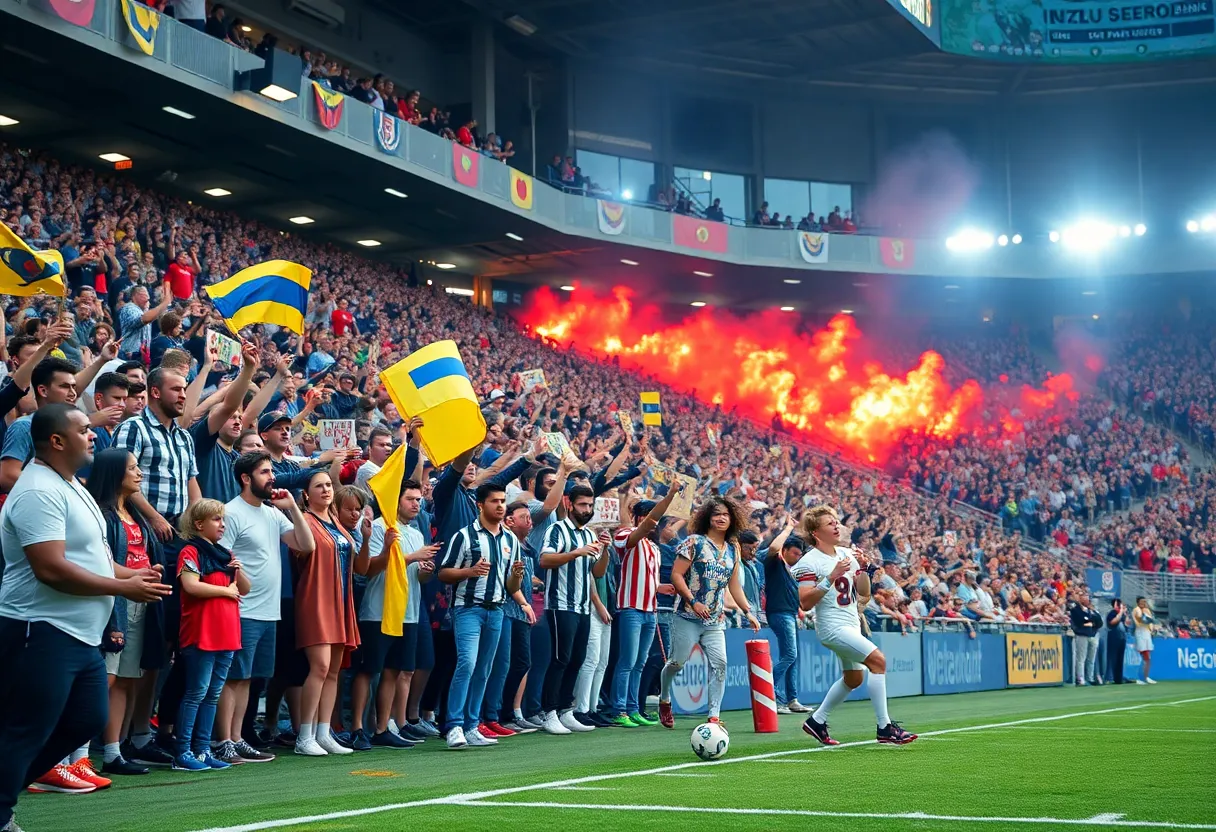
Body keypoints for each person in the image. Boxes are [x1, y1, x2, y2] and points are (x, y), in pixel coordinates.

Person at [0, 405, 169, 829]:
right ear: (56, 441)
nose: (93, 435)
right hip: (39, 629)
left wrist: (132, 574)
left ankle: (5, 790)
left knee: (88, 718)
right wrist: (124, 588)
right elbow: (51, 568)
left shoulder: (73, 484)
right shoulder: (39, 490)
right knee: (27, 730)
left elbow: (92, 557)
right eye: (83, 430)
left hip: (77, 634)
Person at [212, 452, 315, 765]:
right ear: (246, 478)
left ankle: (238, 738)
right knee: (233, 678)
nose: (272, 477)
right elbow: (220, 558)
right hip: (241, 610)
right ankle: (224, 741)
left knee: (249, 679)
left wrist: (294, 507)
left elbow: (306, 545)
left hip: (268, 611)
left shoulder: (273, 513)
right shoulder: (231, 512)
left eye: (271, 471)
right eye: (265, 472)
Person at [794, 505, 916, 746]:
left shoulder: (846, 554)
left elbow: (864, 594)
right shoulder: (810, 561)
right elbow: (805, 602)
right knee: (878, 661)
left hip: (850, 622)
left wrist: (862, 569)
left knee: (853, 679)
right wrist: (831, 577)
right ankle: (884, 727)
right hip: (833, 626)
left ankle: (817, 721)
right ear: (816, 533)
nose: (837, 526)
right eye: (830, 523)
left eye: (836, 522)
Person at [88, 449, 168, 777]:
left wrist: (151, 572)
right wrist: (136, 578)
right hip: (114, 604)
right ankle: (78, 753)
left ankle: (114, 751)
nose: (139, 473)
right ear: (113, 473)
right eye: (132, 468)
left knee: (127, 680)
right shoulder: (104, 515)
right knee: (105, 680)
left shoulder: (133, 511)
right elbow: (101, 566)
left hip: (140, 602)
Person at [351, 480, 441, 750]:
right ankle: (357, 727)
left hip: (408, 612)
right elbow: (370, 569)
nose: (416, 504)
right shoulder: (379, 527)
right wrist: (414, 557)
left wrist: (425, 569)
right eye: (410, 499)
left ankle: (383, 727)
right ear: (396, 501)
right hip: (378, 610)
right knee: (368, 670)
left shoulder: (414, 533)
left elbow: (420, 579)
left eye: (418, 499)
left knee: (393, 670)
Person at [438, 482, 527, 749]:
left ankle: (472, 724)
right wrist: (470, 572)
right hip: (468, 608)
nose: (500, 506)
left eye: (502, 501)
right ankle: (454, 725)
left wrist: (516, 577)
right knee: (467, 663)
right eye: (495, 501)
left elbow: (512, 587)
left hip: (497, 610)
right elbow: (443, 572)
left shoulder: (511, 539)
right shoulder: (464, 536)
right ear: (480, 504)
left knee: (484, 669)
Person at [657, 496, 759, 730]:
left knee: (720, 663)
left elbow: (734, 585)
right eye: (716, 514)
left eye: (725, 514)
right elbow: (676, 575)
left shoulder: (733, 549)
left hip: (714, 620)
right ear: (707, 518)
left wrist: (747, 611)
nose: (721, 518)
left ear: (732, 518)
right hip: (686, 615)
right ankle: (665, 698)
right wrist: (693, 601)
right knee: (676, 663)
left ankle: (714, 716)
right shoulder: (694, 542)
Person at [172, 499, 249, 772]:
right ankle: (182, 752)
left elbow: (245, 588)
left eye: (222, 519)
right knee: (197, 692)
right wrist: (226, 591)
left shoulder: (224, 554)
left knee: (212, 694)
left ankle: (203, 750)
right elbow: (191, 586)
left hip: (226, 633)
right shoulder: (191, 551)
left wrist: (238, 571)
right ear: (199, 524)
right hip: (201, 633)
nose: (222, 524)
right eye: (217, 519)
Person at [292, 470, 360, 756]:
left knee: (333, 670)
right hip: (316, 599)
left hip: (341, 601)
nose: (326, 490)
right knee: (319, 666)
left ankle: (324, 731)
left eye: (329, 485)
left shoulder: (336, 522)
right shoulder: (305, 520)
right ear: (306, 494)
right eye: (318, 486)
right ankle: (304, 736)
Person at [538, 484, 611, 736]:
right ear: (569, 503)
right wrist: (576, 552)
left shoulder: (588, 534)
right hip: (560, 604)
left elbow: (598, 572)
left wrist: (605, 551)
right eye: (583, 505)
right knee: (560, 659)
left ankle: (565, 710)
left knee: (577, 660)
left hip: (582, 606)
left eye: (590, 506)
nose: (587, 510)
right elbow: (545, 560)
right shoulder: (557, 529)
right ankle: (548, 712)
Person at [608, 486, 682, 728]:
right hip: (630, 607)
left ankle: (633, 708)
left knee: (639, 663)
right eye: (651, 517)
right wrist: (670, 496)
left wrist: (659, 587)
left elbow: (645, 576)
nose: (655, 523)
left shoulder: (654, 547)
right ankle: (618, 709)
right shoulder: (626, 534)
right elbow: (636, 536)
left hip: (650, 610)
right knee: (627, 661)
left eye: (658, 519)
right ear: (638, 517)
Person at [112, 368, 200, 540]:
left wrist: (193, 522)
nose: (183, 395)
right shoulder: (134, 427)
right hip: (142, 527)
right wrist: (154, 518)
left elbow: (192, 481)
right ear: (155, 392)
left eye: (184, 389)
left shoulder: (184, 436)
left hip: (179, 531)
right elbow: (121, 478)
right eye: (176, 389)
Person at [485, 499, 538, 736]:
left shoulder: (529, 549)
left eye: (529, 516)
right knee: (501, 664)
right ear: (509, 521)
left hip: (521, 612)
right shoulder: (504, 544)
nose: (530, 520)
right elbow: (508, 580)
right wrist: (525, 602)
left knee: (520, 663)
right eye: (524, 516)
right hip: (507, 610)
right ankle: (496, 714)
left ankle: (504, 713)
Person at [765, 522, 810, 714]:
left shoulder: (790, 570)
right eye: (794, 553)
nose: (797, 558)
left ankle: (792, 699)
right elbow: (774, 548)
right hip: (779, 614)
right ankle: (769, 695)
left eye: (800, 555)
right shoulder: (774, 562)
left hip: (790, 615)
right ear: (784, 551)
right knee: (790, 655)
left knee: (793, 658)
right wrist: (788, 528)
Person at [1070, 594, 1103, 686]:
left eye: (1087, 599)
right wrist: (1089, 621)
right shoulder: (1076, 610)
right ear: (1080, 600)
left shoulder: (1091, 610)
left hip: (1092, 634)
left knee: (1091, 659)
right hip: (1081, 634)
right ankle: (1080, 678)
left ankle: (1090, 677)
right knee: (1081, 658)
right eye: (1084, 599)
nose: (1087, 601)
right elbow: (1080, 621)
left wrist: (1090, 622)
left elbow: (1099, 622)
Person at [1132, 596, 1156, 684]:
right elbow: (1142, 620)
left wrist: (1153, 628)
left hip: (1147, 634)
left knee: (1148, 657)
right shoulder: (1136, 610)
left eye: (1145, 602)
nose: (1144, 603)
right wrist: (1148, 617)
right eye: (1142, 602)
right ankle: (1138, 678)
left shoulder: (1146, 610)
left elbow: (1151, 623)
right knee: (1141, 656)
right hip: (1140, 633)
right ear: (1138, 602)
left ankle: (1146, 677)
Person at [1106, 598, 1128, 684]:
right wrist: (1121, 612)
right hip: (1114, 637)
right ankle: (1110, 677)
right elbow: (1113, 622)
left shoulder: (1122, 614)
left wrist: (1124, 614)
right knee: (1113, 658)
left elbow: (1127, 623)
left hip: (1122, 638)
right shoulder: (1112, 613)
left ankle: (1119, 678)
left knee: (1120, 659)